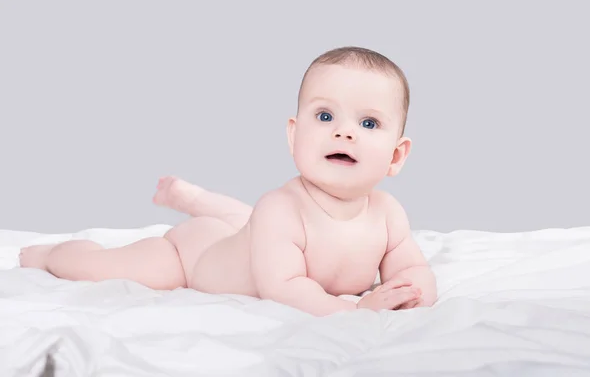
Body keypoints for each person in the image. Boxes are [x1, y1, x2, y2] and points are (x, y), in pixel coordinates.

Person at [19, 46, 437, 316]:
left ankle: (192, 197)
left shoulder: (387, 214)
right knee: (111, 268)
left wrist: (414, 293)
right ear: (295, 135)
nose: (344, 133)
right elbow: (284, 286)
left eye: (368, 122)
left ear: (396, 155)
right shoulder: (282, 206)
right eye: (325, 116)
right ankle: (52, 255)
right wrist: (358, 313)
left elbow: (413, 268)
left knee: (245, 223)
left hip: (241, 234)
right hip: (195, 258)